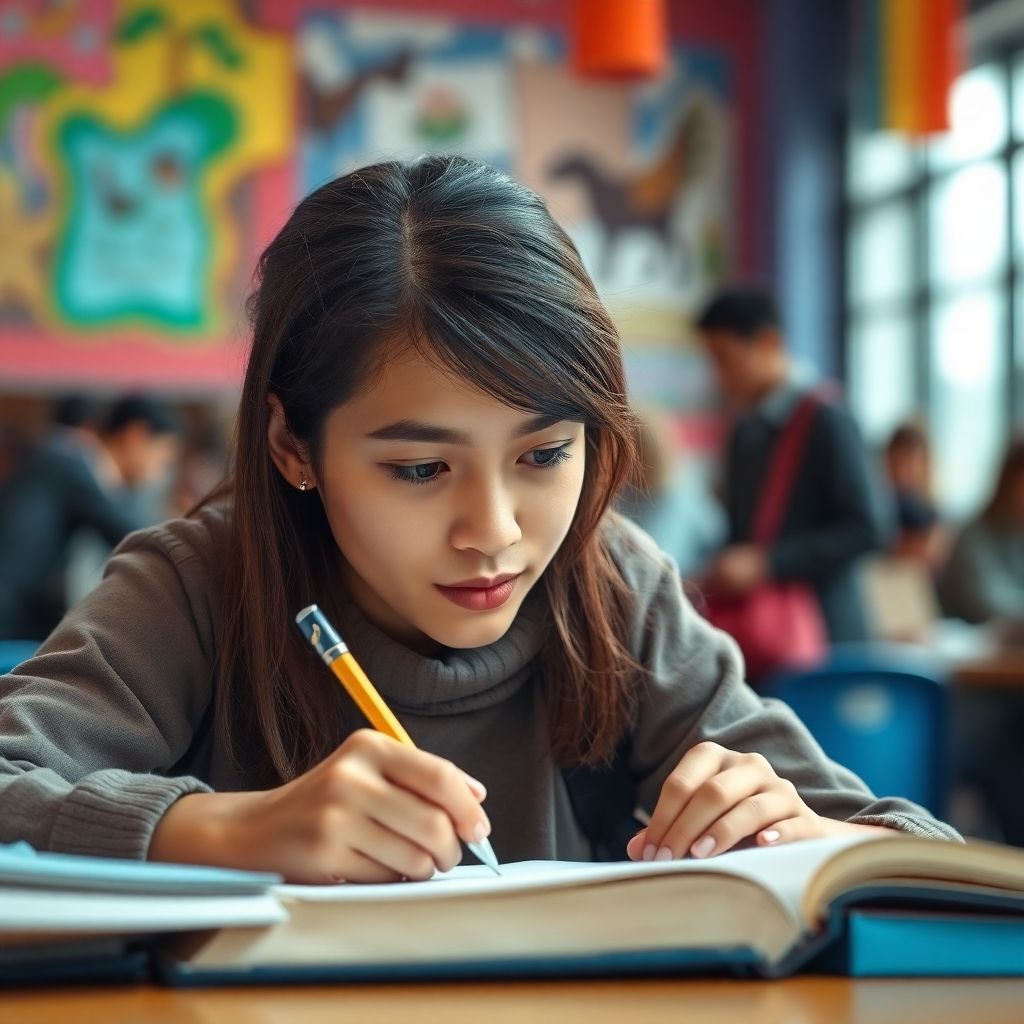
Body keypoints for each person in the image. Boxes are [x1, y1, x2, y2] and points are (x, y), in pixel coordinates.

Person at [0, 157, 957, 885]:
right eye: (420, 468)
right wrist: (221, 830)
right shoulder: (200, 584)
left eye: (544, 456)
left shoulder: (612, 585)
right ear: (292, 444)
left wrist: (813, 835)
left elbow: (933, 858)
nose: (493, 531)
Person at [696, 286, 888, 647]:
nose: (718, 377)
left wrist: (769, 563)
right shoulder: (744, 430)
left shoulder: (828, 420)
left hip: (826, 634)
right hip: (759, 633)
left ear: (768, 343)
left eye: (725, 359)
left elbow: (869, 528)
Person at [937, 438, 1024, 625]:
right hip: (966, 650)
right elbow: (990, 608)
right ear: (1009, 481)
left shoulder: (1018, 536)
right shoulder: (974, 536)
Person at [883, 422, 944, 568]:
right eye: (897, 462)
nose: (902, 472)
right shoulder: (879, 507)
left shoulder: (933, 516)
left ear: (925, 465)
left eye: (910, 464)